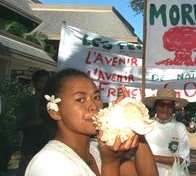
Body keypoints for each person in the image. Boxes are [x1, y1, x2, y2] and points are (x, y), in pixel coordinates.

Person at [24, 68, 158, 176]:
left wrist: (135, 125)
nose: (94, 105)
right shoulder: (49, 164)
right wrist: (110, 163)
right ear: (55, 112)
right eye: (80, 99)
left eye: (96, 97)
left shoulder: (96, 150)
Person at [144, 88, 190, 175]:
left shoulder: (180, 127)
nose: (165, 109)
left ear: (173, 108)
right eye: (162, 105)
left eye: (169, 106)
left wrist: (154, 158)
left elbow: (183, 159)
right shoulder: (145, 125)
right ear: (155, 106)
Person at [15, 69, 51, 176]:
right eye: (41, 81)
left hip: (48, 149)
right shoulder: (28, 102)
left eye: (46, 82)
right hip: (30, 149)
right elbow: (19, 125)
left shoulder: (53, 102)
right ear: (34, 83)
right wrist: (40, 121)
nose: (44, 85)